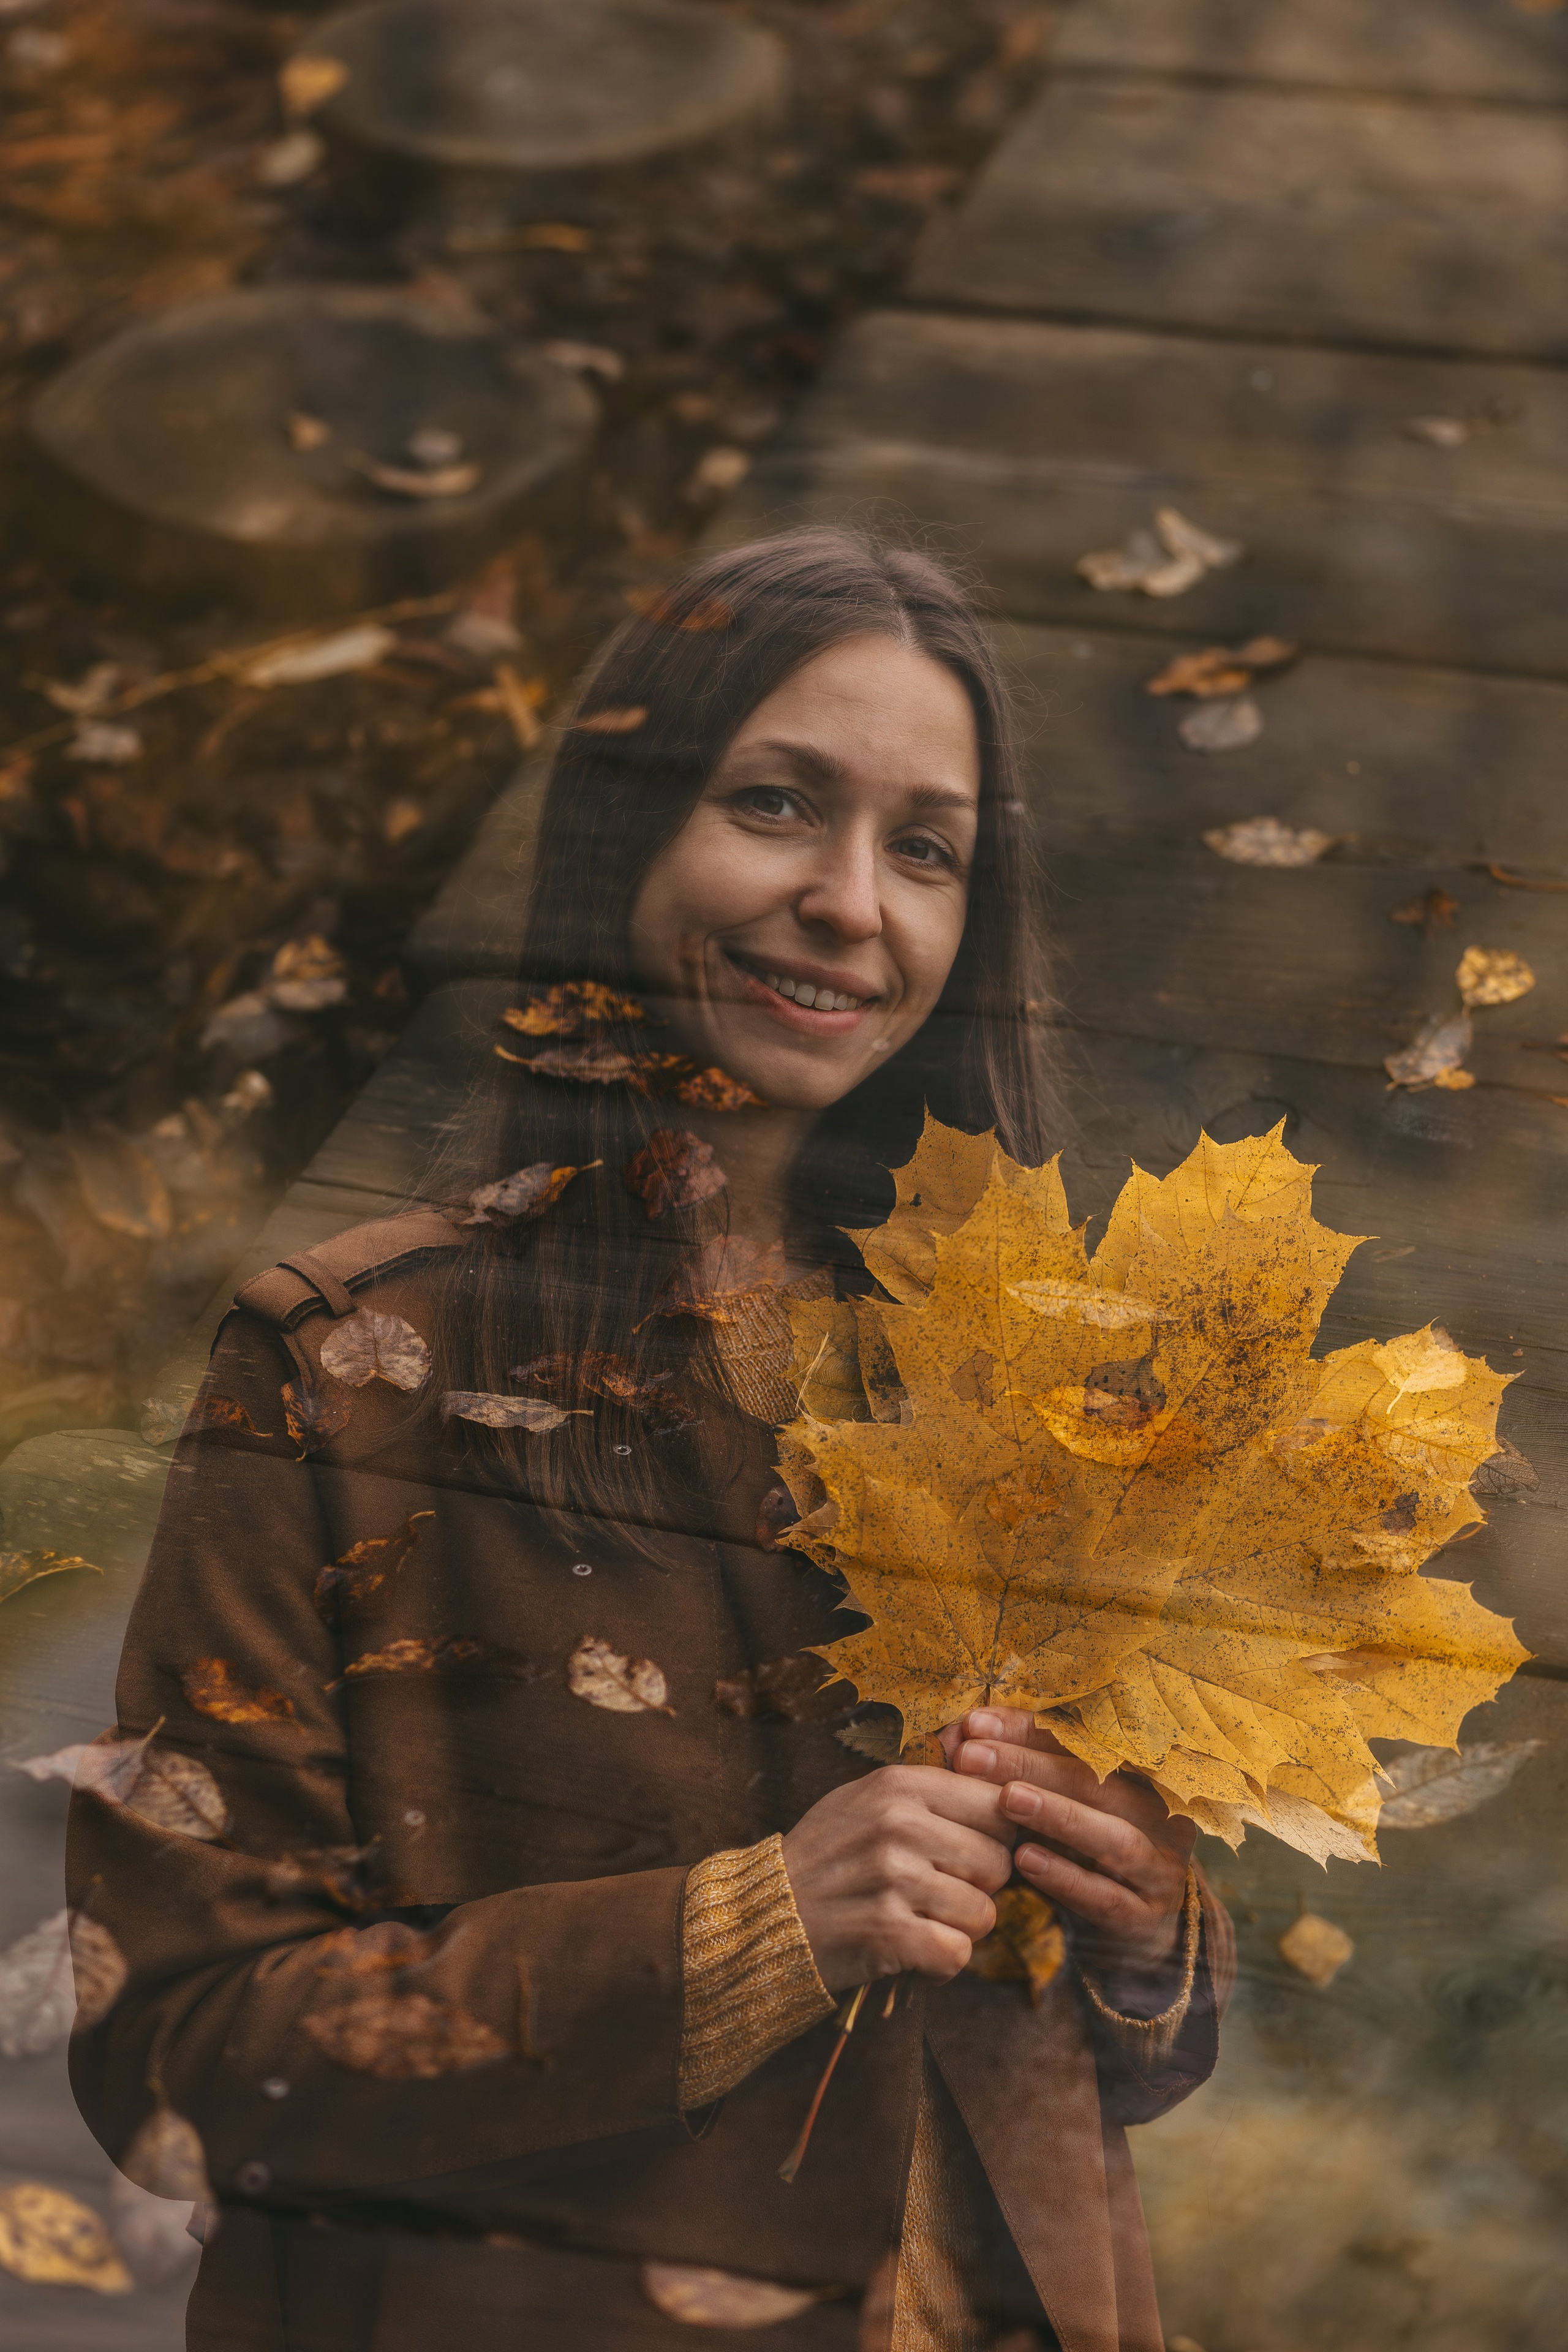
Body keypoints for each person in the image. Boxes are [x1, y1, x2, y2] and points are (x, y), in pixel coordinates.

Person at [69, 528, 1232, 2352]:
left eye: (927, 848)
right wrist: (755, 1932)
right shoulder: (347, 1373)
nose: (852, 900)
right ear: (623, 834)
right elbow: (183, 2053)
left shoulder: (1031, 1384)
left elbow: (1068, 2066)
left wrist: (1150, 1938)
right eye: (777, 804)